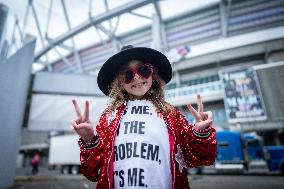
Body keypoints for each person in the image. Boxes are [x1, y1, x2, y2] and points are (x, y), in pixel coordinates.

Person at [71, 45, 217, 189]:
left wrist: (200, 132)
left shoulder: (171, 115)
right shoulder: (109, 117)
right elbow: (93, 173)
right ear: (119, 83)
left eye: (144, 70)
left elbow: (198, 158)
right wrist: (89, 140)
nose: (136, 77)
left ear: (152, 75)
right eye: (127, 74)